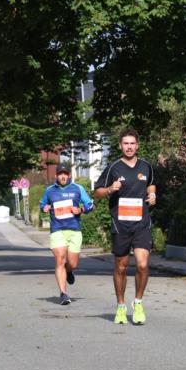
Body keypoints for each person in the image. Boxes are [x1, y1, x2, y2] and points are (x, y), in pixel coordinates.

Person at [94, 128, 157, 324]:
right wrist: (110, 189)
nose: (129, 147)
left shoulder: (146, 166)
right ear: (120, 146)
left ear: (137, 145)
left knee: (142, 264)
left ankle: (137, 302)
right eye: (125, 143)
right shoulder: (113, 167)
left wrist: (153, 194)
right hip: (120, 223)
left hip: (142, 222)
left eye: (132, 143)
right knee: (121, 267)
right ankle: (121, 306)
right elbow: (97, 192)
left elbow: (151, 184)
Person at [40, 165, 94, 305]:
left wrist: (81, 209)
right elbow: (42, 204)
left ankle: (69, 271)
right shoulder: (50, 190)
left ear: (69, 175)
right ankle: (63, 294)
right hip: (57, 230)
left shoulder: (78, 188)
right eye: (60, 174)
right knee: (60, 260)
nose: (63, 176)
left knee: (73, 264)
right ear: (56, 176)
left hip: (74, 230)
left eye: (65, 174)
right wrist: (44, 208)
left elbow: (90, 205)